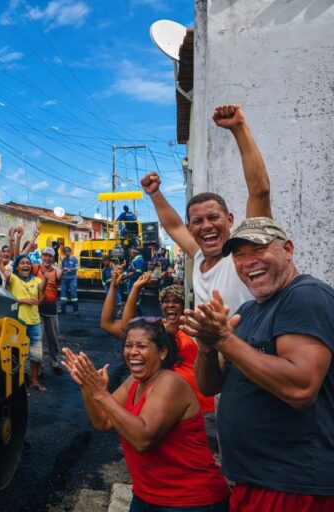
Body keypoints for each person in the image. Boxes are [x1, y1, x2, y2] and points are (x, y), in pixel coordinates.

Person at [183, 218, 334, 511]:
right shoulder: (248, 310)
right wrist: (206, 347)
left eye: (259, 249)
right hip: (252, 479)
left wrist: (225, 340)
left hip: (294, 485)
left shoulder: (305, 296)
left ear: (287, 249)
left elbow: (301, 388)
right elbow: (209, 385)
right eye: (239, 254)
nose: (249, 261)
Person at [63, 319, 229, 511]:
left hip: (191, 500)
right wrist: (88, 388)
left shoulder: (171, 383)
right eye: (128, 345)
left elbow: (143, 439)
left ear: (163, 352)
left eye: (141, 346)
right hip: (146, 495)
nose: (133, 352)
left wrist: (101, 394)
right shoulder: (133, 381)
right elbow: (103, 421)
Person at [140, 104, 271, 313]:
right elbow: (173, 227)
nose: (207, 226)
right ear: (190, 228)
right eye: (198, 222)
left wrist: (239, 128)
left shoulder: (240, 257)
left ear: (229, 220)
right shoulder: (200, 256)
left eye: (213, 217)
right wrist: (155, 194)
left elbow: (259, 192)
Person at [101, 275, 218, 451]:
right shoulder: (157, 331)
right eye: (166, 301)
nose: (170, 305)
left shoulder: (194, 330)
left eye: (176, 301)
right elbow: (123, 327)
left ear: (184, 305)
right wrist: (134, 289)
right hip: (165, 410)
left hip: (202, 411)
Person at [7, 254, 46, 392]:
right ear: (17, 266)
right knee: (18, 354)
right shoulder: (12, 279)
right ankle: (20, 384)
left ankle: (34, 381)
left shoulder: (37, 280)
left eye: (28, 263)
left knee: (36, 355)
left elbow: (42, 296)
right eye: (22, 263)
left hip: (35, 323)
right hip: (18, 323)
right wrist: (23, 300)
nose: (25, 265)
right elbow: (7, 298)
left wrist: (46, 279)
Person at [34, 246, 62, 373]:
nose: (47, 258)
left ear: (53, 259)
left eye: (50, 256)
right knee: (38, 340)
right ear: (41, 256)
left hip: (51, 311)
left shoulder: (56, 272)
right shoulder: (35, 269)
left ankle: (55, 363)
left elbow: (60, 275)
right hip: (36, 311)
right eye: (45, 255)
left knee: (53, 339)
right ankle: (39, 369)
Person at [59, 246, 78, 315]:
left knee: (73, 294)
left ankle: (75, 310)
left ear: (70, 252)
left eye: (67, 251)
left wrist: (70, 269)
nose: (66, 252)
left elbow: (76, 268)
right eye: (65, 251)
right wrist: (63, 270)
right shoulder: (63, 260)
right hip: (64, 279)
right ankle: (62, 309)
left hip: (72, 278)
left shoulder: (74, 259)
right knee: (63, 295)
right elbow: (61, 268)